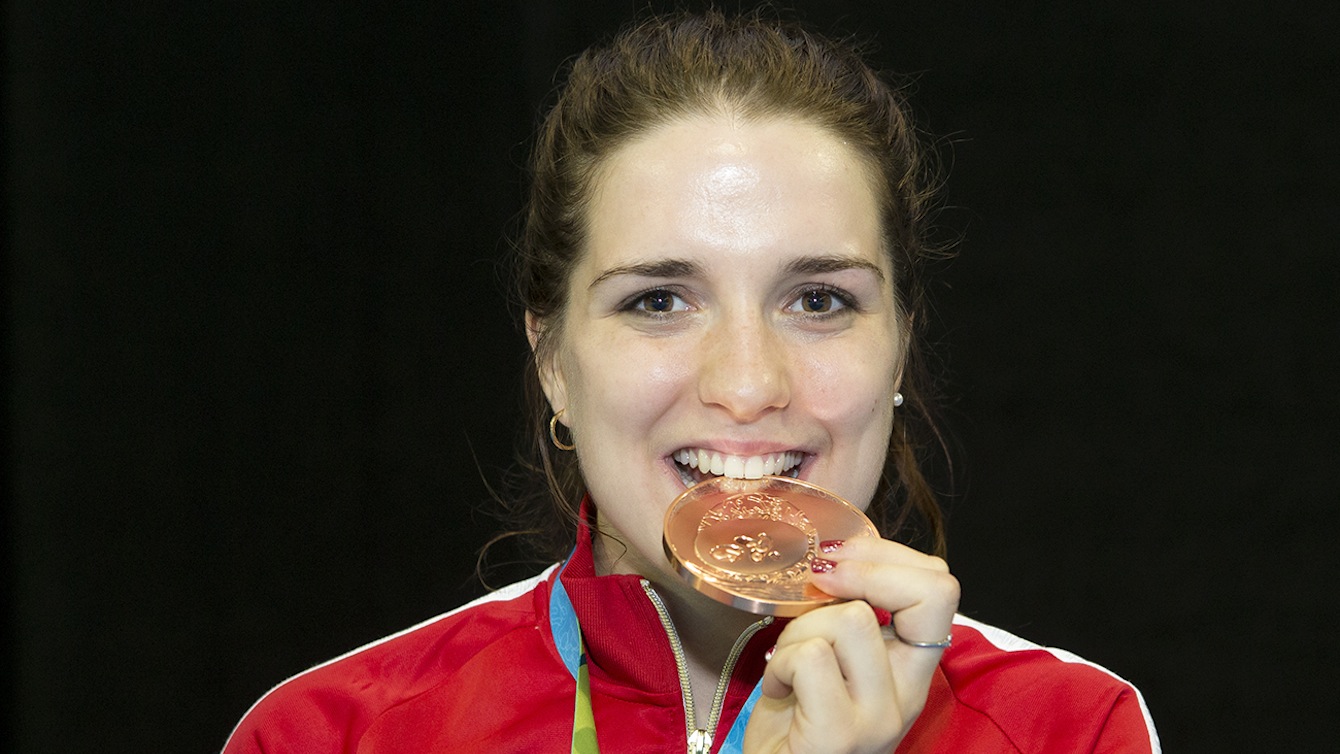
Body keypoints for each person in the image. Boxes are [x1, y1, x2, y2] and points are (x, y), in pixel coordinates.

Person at [223, 10, 1159, 753]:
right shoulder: (330, 734)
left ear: (901, 349)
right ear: (552, 361)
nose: (747, 385)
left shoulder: (1067, 730)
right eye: (661, 301)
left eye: (821, 300)